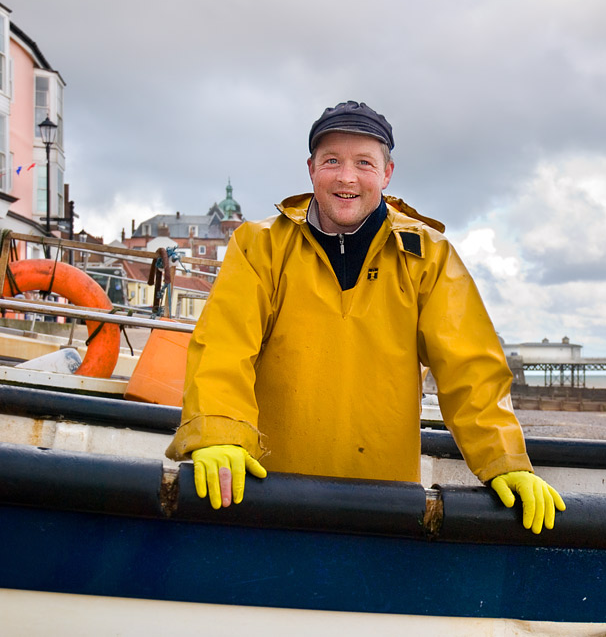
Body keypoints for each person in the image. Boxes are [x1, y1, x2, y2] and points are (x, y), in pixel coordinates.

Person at [165, 101, 565, 533]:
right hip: (266, 497)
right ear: (311, 168)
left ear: (387, 172)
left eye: (364, 163)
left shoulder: (428, 255)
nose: (346, 177)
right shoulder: (260, 245)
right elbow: (224, 345)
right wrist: (220, 434)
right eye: (332, 161)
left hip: (385, 508)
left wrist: (504, 460)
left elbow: (471, 366)